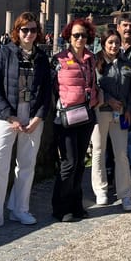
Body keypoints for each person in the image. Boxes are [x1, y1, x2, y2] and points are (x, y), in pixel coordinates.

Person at [0, 13, 51, 234]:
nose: (29, 34)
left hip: (32, 118)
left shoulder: (42, 58)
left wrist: (38, 117)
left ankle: (20, 208)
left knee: (26, 165)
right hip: (6, 118)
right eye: (24, 30)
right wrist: (9, 115)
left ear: (38, 33)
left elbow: (46, 92)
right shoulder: (5, 53)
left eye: (33, 30)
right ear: (17, 31)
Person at [51, 17, 98, 223]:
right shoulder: (59, 60)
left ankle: (76, 204)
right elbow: (53, 89)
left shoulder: (91, 59)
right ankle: (61, 207)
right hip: (67, 117)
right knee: (69, 162)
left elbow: (94, 82)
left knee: (80, 163)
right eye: (76, 35)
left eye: (83, 35)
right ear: (69, 37)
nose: (80, 38)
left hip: (86, 114)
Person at [91, 29, 131, 210]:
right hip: (101, 111)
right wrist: (108, 99)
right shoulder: (94, 62)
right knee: (99, 151)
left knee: (121, 154)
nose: (114, 46)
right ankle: (101, 190)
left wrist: (129, 108)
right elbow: (94, 86)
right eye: (110, 42)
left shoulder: (126, 63)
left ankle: (125, 193)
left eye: (116, 42)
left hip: (121, 113)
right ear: (103, 44)